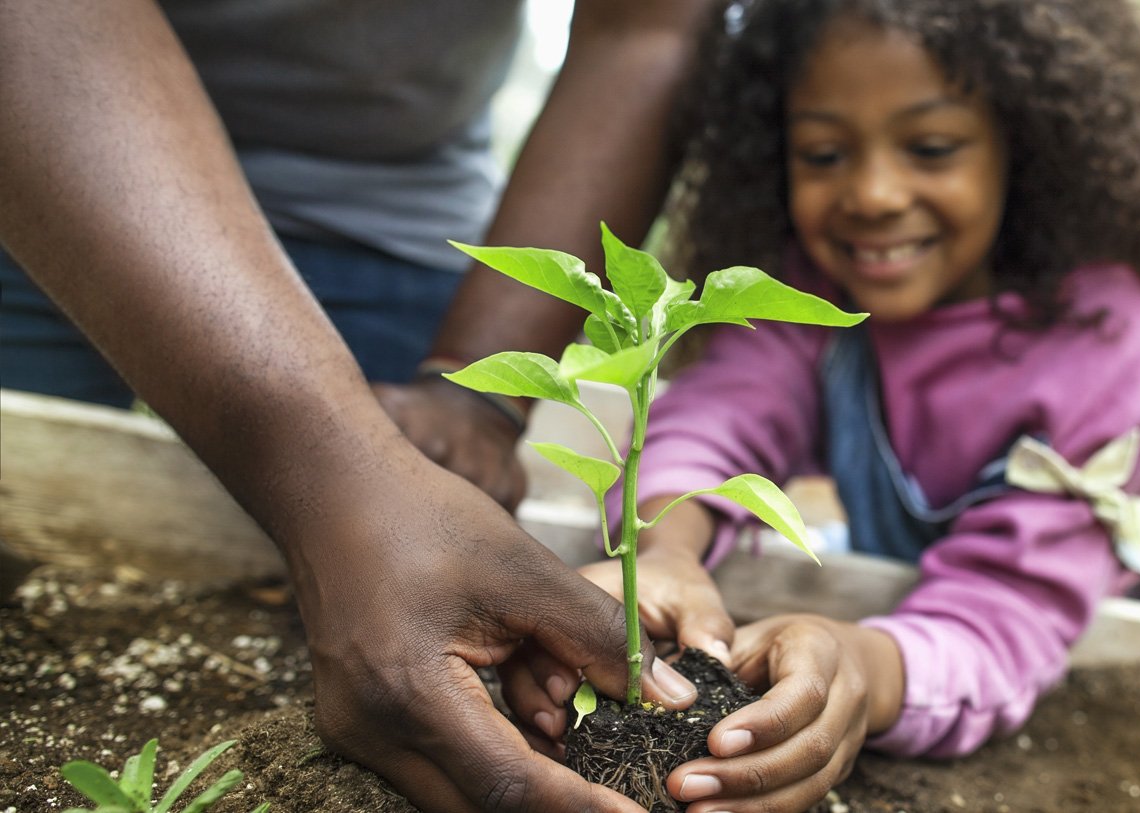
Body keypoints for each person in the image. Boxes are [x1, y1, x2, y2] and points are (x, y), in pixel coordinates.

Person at [0, 2, 776, 811]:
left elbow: (645, 28)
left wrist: (473, 395)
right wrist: (335, 473)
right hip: (43, 145)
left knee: (416, 579)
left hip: (386, 217)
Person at [505, 0, 1140, 810]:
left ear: (1026, 145)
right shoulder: (819, 292)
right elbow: (723, 417)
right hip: (893, 592)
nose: (875, 193)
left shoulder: (1114, 344)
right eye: (823, 153)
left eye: (930, 147)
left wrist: (864, 669)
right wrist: (665, 548)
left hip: (1041, 634)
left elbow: (1007, 613)